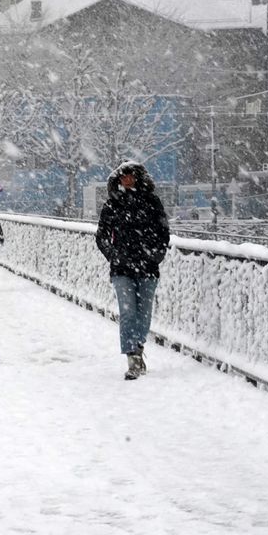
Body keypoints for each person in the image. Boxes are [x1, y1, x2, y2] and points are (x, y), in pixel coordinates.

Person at [95, 161, 170, 381]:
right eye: (122, 176)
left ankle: (138, 346)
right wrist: (113, 255)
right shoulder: (113, 204)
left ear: (137, 177)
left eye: (129, 176)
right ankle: (133, 358)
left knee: (144, 314)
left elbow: (163, 231)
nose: (126, 180)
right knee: (128, 312)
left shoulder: (151, 202)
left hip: (147, 268)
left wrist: (156, 254)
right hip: (122, 269)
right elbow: (101, 236)